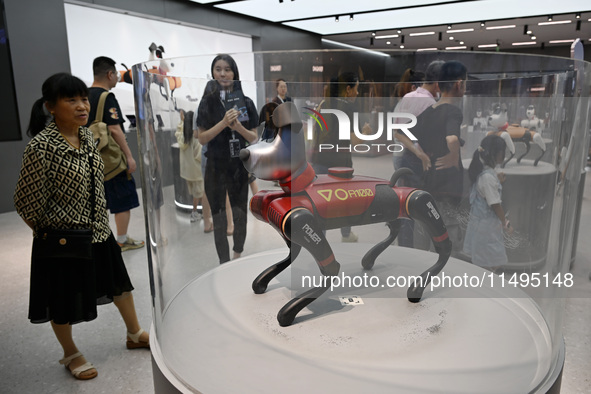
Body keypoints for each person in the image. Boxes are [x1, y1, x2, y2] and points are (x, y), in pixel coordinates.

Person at [13, 73, 149, 381]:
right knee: (62, 298)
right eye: (70, 100)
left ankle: (134, 333)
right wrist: (51, 236)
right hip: (64, 239)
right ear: (50, 107)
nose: (81, 106)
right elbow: (25, 203)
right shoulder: (41, 148)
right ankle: (70, 352)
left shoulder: (87, 136)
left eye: (83, 99)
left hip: (99, 229)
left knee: (119, 285)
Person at [196, 55, 259, 263]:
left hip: (238, 167)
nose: (223, 74)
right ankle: (223, 262)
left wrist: (238, 127)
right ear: (213, 72)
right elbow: (202, 138)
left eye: (227, 69)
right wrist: (223, 123)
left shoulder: (246, 102)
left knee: (240, 215)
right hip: (215, 167)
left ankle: (238, 254)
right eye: (218, 69)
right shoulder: (207, 103)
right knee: (219, 217)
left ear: (235, 73)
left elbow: (254, 137)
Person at [87, 56, 144, 252]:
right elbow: (115, 129)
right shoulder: (107, 97)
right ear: (109, 74)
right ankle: (121, 240)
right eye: (116, 75)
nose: (117, 79)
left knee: (98, 201)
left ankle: (101, 239)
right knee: (122, 199)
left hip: (91, 160)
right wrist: (129, 156)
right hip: (111, 161)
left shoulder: (84, 96)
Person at [310, 71, 367, 243]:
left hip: (319, 160)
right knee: (345, 200)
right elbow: (355, 141)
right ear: (348, 89)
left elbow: (314, 132)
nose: (357, 93)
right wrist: (365, 132)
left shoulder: (322, 104)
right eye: (356, 89)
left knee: (321, 203)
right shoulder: (349, 108)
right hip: (340, 164)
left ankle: (320, 241)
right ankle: (346, 234)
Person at [393, 60, 444, 247]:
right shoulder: (430, 104)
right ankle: (414, 252)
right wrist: (421, 154)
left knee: (404, 206)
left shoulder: (408, 98)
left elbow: (397, 132)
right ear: (438, 83)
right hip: (419, 163)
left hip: (403, 159)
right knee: (419, 208)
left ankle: (405, 249)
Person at [463, 135, 513, 271]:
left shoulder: (484, 173)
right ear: (497, 154)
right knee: (489, 263)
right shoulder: (487, 179)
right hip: (487, 229)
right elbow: (495, 205)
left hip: (481, 225)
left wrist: (496, 180)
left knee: (484, 260)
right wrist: (506, 223)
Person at [175, 109, 204, 223]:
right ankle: (195, 212)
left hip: (187, 171)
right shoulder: (195, 137)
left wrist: (182, 121)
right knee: (199, 193)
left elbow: (179, 130)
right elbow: (198, 155)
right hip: (197, 171)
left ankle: (204, 211)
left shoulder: (182, 136)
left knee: (196, 193)